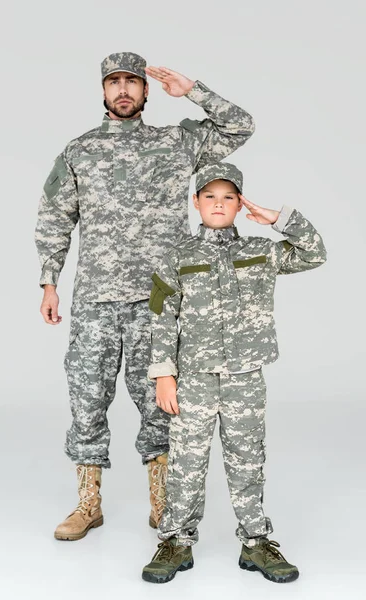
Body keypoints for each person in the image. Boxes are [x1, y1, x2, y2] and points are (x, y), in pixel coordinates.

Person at [35, 52, 256, 541]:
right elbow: (55, 217)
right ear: (102, 90)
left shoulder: (176, 142)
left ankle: (164, 499)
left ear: (146, 91)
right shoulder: (80, 151)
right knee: (87, 397)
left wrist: (193, 88)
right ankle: (88, 503)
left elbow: (240, 126)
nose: (123, 90)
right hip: (95, 296)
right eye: (113, 81)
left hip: (159, 297)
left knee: (161, 402)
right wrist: (49, 280)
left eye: (132, 81)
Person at [142, 162, 327, 583]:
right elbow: (160, 318)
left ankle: (256, 543)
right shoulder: (176, 257)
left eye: (229, 196)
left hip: (245, 376)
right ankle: (175, 541)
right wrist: (163, 375)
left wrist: (279, 219)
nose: (218, 204)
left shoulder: (260, 250)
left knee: (248, 461)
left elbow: (315, 252)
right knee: (186, 462)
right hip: (193, 379)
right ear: (196, 202)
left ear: (240, 203)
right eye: (210, 196)